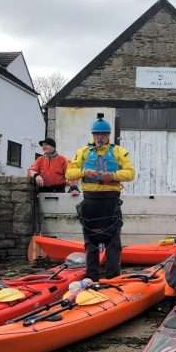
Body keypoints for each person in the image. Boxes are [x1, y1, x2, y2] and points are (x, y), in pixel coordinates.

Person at [65, 113, 135, 281]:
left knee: (113, 243)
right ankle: (92, 277)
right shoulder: (83, 152)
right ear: (93, 135)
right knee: (91, 243)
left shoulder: (119, 151)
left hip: (111, 202)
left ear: (108, 135)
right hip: (90, 202)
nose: (100, 137)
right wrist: (84, 172)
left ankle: (112, 277)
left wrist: (113, 176)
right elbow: (69, 173)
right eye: (97, 134)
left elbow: (130, 173)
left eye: (103, 134)